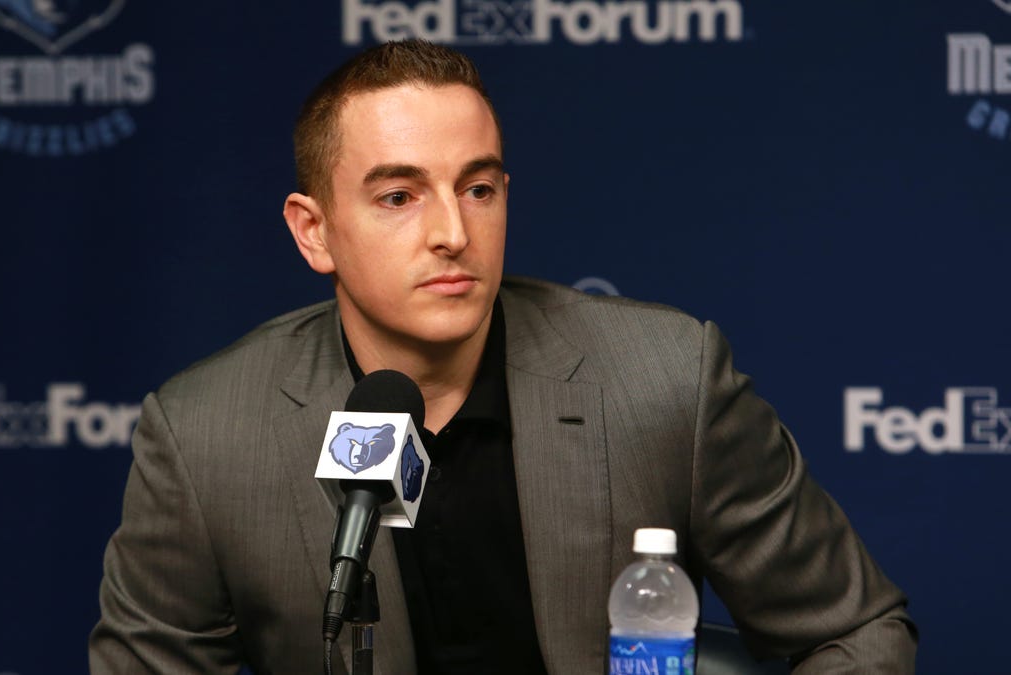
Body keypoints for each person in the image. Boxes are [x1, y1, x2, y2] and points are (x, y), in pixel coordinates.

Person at [89, 40, 916, 674]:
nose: (453, 231)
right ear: (314, 231)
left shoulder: (665, 378)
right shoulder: (207, 436)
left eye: (478, 188)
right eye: (399, 196)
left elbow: (856, 631)